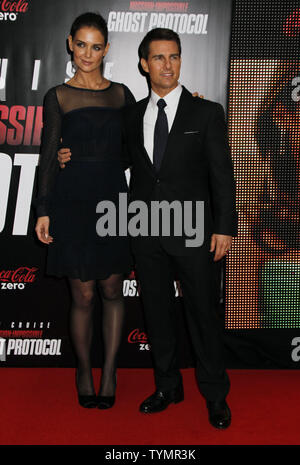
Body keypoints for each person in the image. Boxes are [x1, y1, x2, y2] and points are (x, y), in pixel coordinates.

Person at [59, 28, 237, 429]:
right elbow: (109, 158)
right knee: (156, 315)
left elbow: (222, 175)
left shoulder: (206, 112)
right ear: (144, 64)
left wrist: (225, 227)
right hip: (145, 230)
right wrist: (66, 153)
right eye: (158, 58)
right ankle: (167, 386)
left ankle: (214, 394)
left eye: (174, 57)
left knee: (202, 316)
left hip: (193, 228)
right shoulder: (131, 114)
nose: (168, 65)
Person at [35, 12, 135, 409]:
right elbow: (46, 158)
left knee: (112, 288)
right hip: (72, 201)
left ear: (107, 49)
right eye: (81, 45)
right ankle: (83, 368)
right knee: (84, 295)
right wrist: (43, 209)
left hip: (113, 199)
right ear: (69, 44)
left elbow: (135, 151)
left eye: (96, 47)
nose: (87, 54)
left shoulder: (123, 94)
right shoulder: (57, 96)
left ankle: (109, 370)